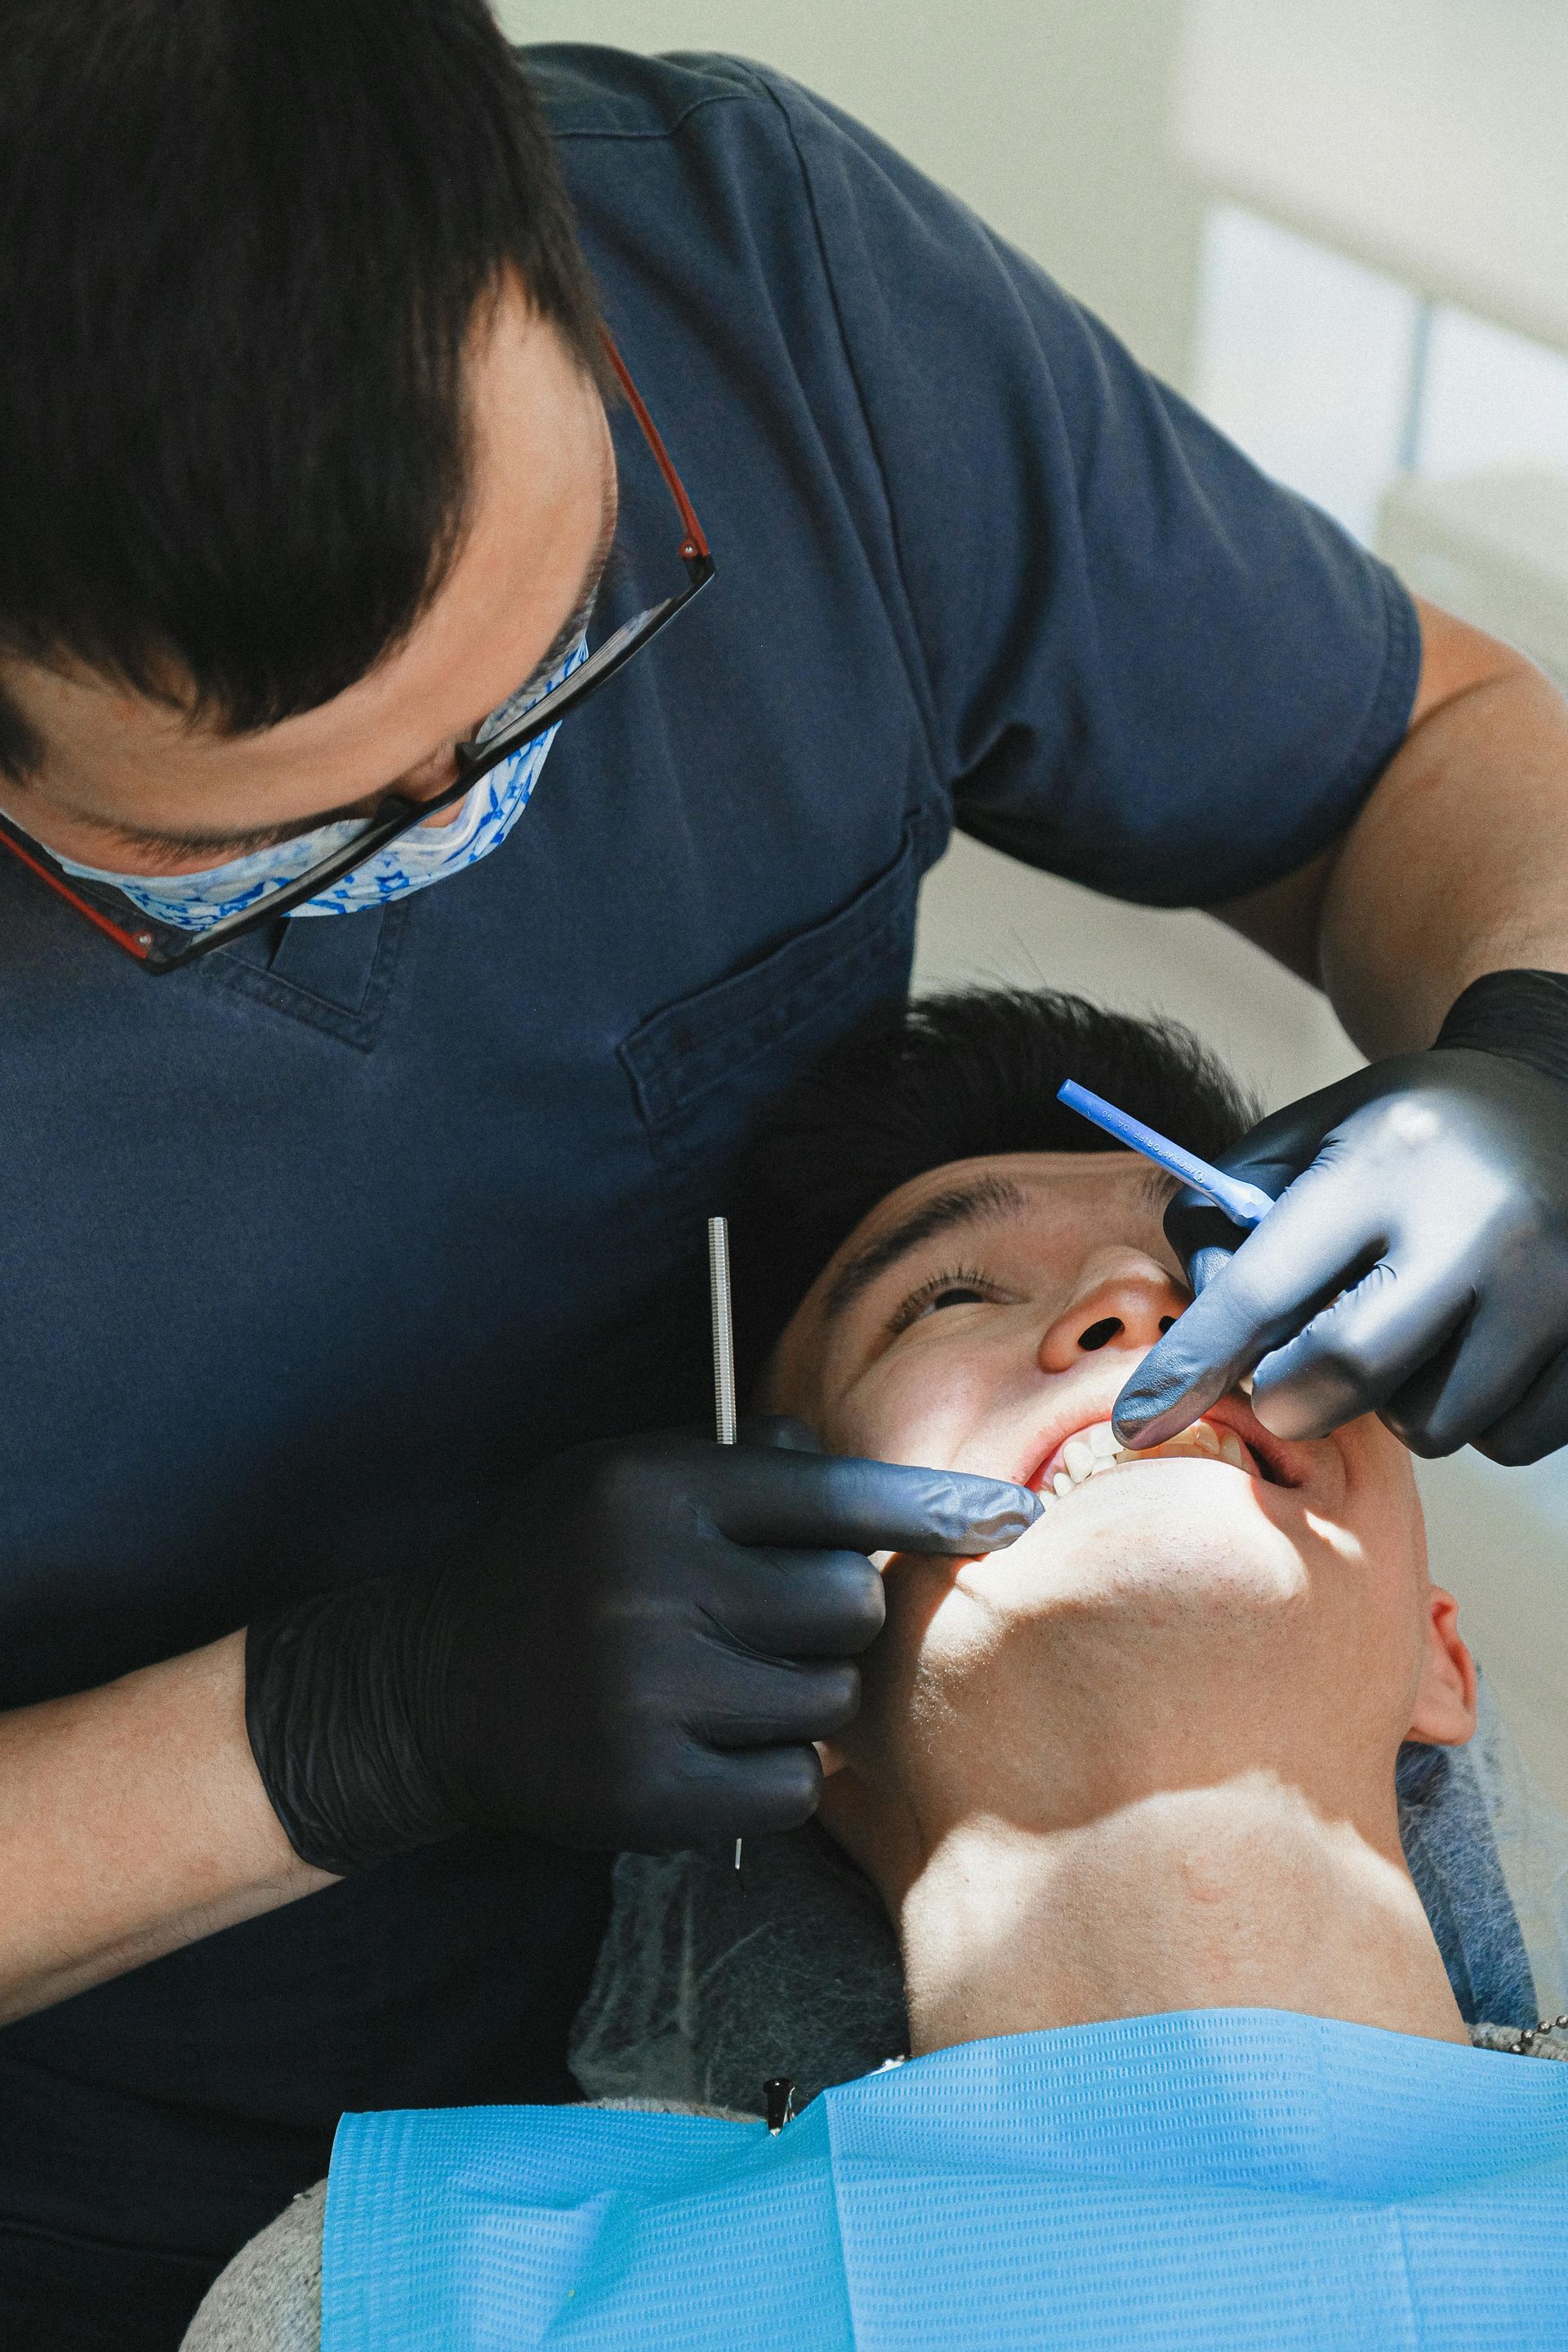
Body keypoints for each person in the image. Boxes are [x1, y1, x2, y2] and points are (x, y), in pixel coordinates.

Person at [6, 7, 1568, 2340]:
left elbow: (1423, 746)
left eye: (563, 655)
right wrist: (343, 1723)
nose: (466, 829)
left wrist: (1536, 1034)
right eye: (269, 850)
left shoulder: (758, 278)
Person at [187, 990, 1568, 2351]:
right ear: (771, 1658)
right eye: (948, 1296)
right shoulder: (427, 2292)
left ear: (1438, 1657)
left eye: (1234, 1259)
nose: (1134, 1299)